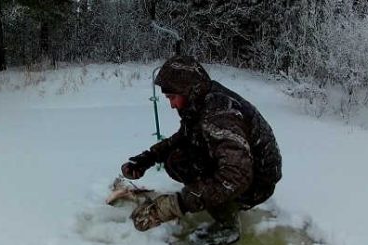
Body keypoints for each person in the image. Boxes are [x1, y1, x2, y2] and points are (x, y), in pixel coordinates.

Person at [121, 55, 282, 245]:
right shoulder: (201, 101)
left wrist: (177, 204)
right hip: (245, 171)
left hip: (256, 184)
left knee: (191, 165)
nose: (172, 105)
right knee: (178, 160)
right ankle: (212, 201)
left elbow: (235, 176)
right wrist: (148, 157)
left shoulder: (220, 115)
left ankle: (227, 225)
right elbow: (185, 136)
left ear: (189, 90)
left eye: (172, 97)